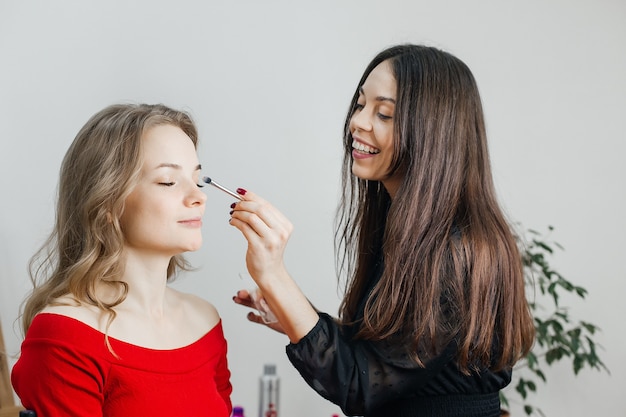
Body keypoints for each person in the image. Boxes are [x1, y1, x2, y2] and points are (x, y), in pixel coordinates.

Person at [230, 44, 535, 417]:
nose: (358, 121)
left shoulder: (456, 251)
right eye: (361, 105)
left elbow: (360, 384)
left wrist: (273, 274)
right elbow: (391, 360)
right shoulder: (408, 232)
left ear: (433, 132)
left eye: (384, 113)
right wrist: (293, 314)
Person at [11, 103, 232, 417]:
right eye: (168, 181)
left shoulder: (205, 321)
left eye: (197, 180)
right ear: (107, 202)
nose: (199, 196)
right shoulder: (64, 337)